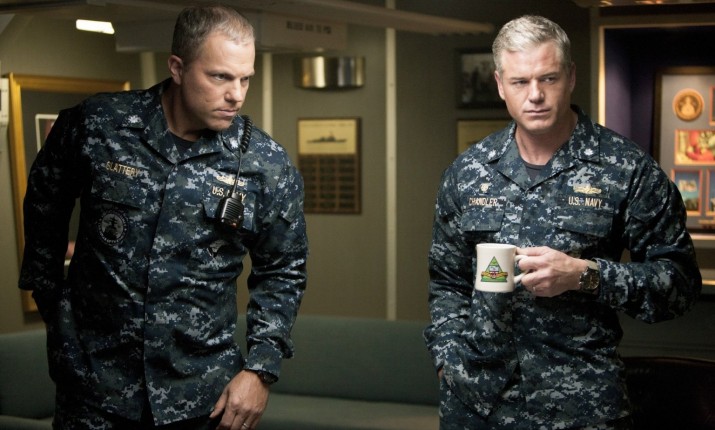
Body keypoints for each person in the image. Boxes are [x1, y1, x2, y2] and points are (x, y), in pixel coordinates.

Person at [19, 5, 308, 430]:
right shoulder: (100, 126)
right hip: (94, 390)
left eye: (245, 78)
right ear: (177, 67)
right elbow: (45, 204)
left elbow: (283, 269)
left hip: (203, 396)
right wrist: (54, 307)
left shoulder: (265, 164)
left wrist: (260, 370)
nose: (237, 95)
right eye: (220, 77)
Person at [424, 15, 701, 430]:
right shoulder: (467, 172)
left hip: (581, 404)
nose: (535, 95)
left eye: (548, 78)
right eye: (520, 82)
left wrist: (585, 276)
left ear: (571, 77)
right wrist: (448, 360)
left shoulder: (627, 169)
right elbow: (447, 282)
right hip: (477, 404)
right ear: (500, 84)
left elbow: (679, 285)